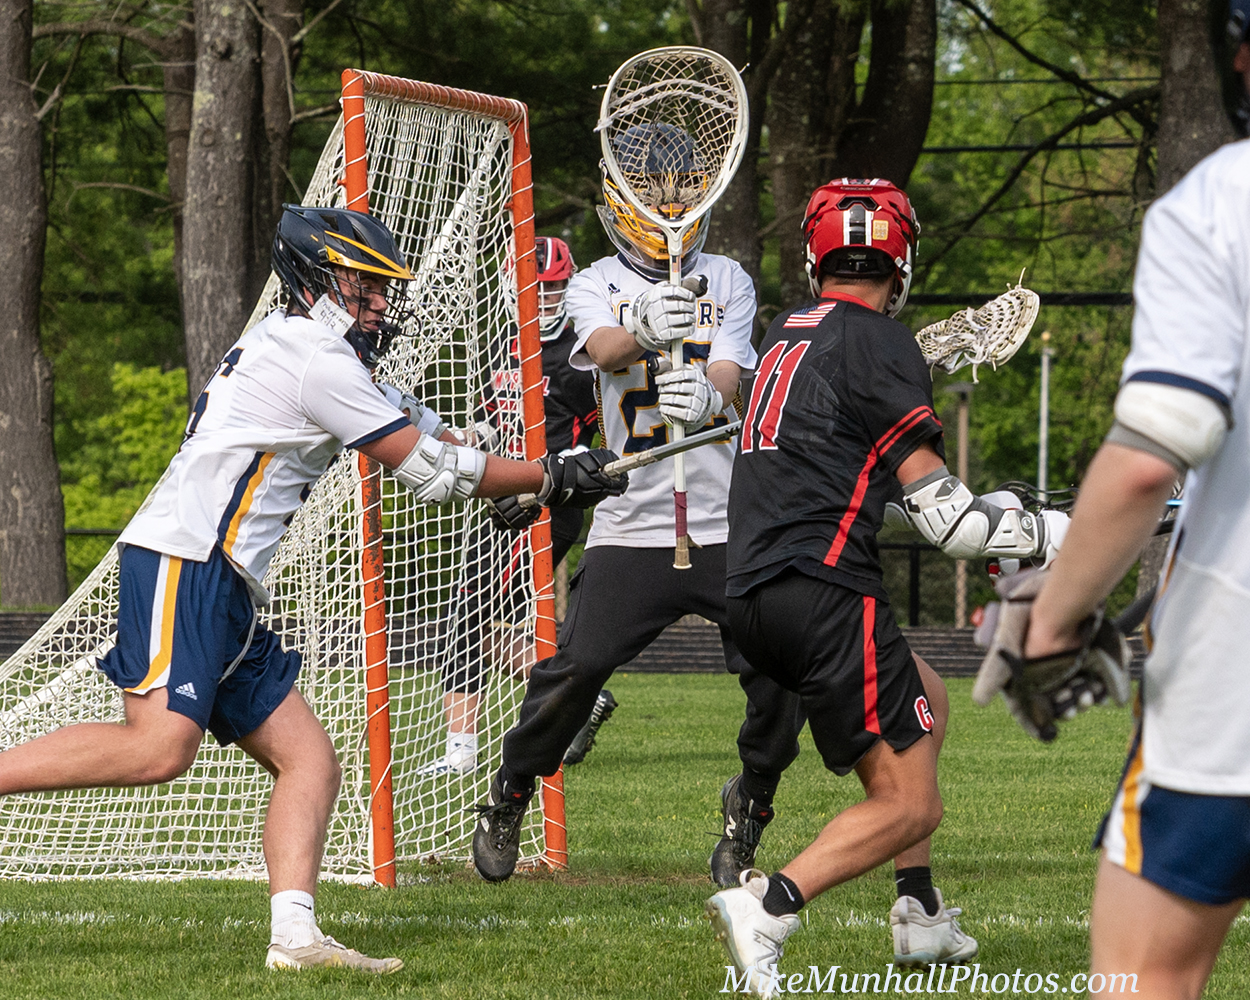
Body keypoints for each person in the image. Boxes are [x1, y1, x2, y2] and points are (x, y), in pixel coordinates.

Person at [0, 205, 625, 974]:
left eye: (381, 287)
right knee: (159, 747)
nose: (381, 302)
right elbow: (430, 472)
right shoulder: (313, 357)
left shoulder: (315, 352)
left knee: (310, 762)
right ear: (315, 281)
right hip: (187, 559)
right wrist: (549, 476)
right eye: (364, 285)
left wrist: (516, 473)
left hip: (225, 581)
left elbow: (430, 432)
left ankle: (295, 940)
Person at [707, 178, 1071, 995]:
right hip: (824, 591)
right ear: (900, 262)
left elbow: (849, 481)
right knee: (911, 805)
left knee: (927, 698)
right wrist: (1058, 533)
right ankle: (769, 906)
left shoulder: (785, 332)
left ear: (817, 259)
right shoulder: (881, 343)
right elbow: (952, 525)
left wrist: (1001, 515)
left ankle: (919, 910)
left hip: (755, 594)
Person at [470, 124, 806, 885]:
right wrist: (644, 327)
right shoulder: (594, 281)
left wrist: (713, 399)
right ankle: (513, 788)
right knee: (578, 667)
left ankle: (751, 804)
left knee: (779, 674)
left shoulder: (727, 277)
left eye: (682, 187)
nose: (670, 203)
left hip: (727, 522)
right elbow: (602, 348)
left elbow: (733, 374)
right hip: (634, 520)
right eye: (654, 189)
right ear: (623, 198)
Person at [993, 30, 1250, 999]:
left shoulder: (1220, 201)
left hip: (1234, 686)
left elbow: (1150, 455)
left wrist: (1053, 622)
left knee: (1142, 977)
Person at [415, 236, 607, 778]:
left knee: (470, 617)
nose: (544, 299)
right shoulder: (502, 345)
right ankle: (578, 693)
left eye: (554, 288)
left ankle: (464, 747)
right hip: (506, 497)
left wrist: (574, 465)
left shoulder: (579, 354)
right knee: (474, 619)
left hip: (547, 501)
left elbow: (604, 431)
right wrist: (472, 438)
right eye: (534, 288)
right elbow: (494, 419)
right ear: (509, 286)